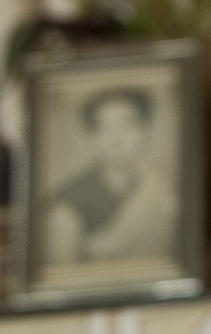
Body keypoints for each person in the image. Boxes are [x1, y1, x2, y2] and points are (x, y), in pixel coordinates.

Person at [45, 86, 178, 266]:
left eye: (127, 125)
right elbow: (64, 271)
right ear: (91, 137)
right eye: (104, 128)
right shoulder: (68, 203)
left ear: (145, 131)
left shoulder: (159, 189)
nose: (116, 139)